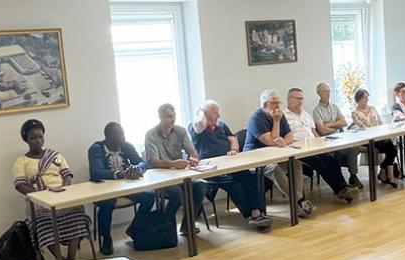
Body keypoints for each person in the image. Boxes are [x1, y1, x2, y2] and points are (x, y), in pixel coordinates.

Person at [246, 89, 357, 217]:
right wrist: (276, 123)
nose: (277, 106)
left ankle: (299, 205)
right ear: (264, 104)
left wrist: (283, 142)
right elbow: (271, 141)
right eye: (274, 103)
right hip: (256, 158)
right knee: (274, 168)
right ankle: (300, 201)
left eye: (278, 103)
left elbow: (289, 136)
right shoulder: (257, 119)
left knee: (296, 163)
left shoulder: (279, 115)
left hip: (276, 154)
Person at [12, 119, 88, 260]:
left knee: (77, 213)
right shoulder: (21, 161)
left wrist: (64, 189)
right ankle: (59, 259)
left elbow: (67, 175)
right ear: (26, 140)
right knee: (41, 221)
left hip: (61, 195)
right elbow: (20, 185)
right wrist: (40, 195)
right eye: (33, 138)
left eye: (40, 137)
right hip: (38, 200)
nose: (38, 141)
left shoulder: (55, 156)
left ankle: (71, 259)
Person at [189, 100, 272, 229]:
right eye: (215, 112)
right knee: (234, 185)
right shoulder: (196, 127)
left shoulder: (221, 125)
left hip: (229, 165)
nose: (218, 115)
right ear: (204, 114)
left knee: (251, 178)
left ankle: (257, 213)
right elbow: (200, 124)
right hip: (210, 170)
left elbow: (233, 138)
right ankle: (250, 215)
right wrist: (201, 112)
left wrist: (234, 149)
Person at [88, 122, 160, 255]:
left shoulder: (126, 146)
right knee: (107, 204)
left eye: (123, 133)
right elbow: (96, 172)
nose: (123, 137)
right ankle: (106, 239)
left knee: (149, 196)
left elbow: (142, 162)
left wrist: (136, 168)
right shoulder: (96, 148)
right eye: (120, 134)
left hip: (127, 188)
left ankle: (134, 228)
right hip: (104, 190)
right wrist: (120, 174)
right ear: (109, 136)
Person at [144, 103, 210, 236]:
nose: (172, 119)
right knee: (178, 194)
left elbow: (192, 151)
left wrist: (193, 158)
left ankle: (187, 224)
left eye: (173, 116)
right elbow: (154, 161)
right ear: (160, 117)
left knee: (202, 185)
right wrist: (172, 164)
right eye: (169, 116)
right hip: (161, 177)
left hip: (180, 175)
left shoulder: (180, 131)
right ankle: (166, 226)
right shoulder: (151, 134)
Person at [312, 81, 362, 187]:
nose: (327, 93)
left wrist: (328, 124)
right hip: (326, 141)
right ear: (319, 93)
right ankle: (341, 182)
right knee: (336, 154)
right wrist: (336, 125)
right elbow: (321, 131)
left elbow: (344, 123)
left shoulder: (335, 107)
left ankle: (353, 176)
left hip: (340, 138)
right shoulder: (317, 111)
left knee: (353, 147)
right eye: (325, 91)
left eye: (329, 91)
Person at [352, 88, 401, 187]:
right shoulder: (355, 112)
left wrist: (384, 129)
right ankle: (388, 175)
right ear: (359, 99)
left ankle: (384, 172)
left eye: (367, 97)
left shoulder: (373, 108)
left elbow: (380, 121)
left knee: (391, 148)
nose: (367, 100)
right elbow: (361, 127)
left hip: (379, 135)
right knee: (391, 148)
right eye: (365, 98)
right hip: (367, 138)